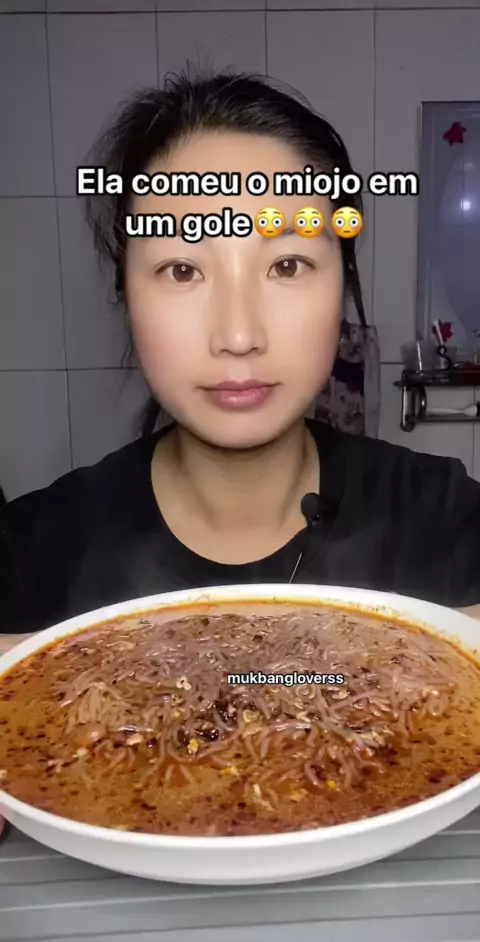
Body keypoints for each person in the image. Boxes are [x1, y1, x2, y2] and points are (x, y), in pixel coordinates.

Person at [1, 69, 480, 649]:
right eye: (183, 270)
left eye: (286, 266)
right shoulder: (32, 554)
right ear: (127, 295)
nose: (238, 334)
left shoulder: (443, 519)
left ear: (343, 284)